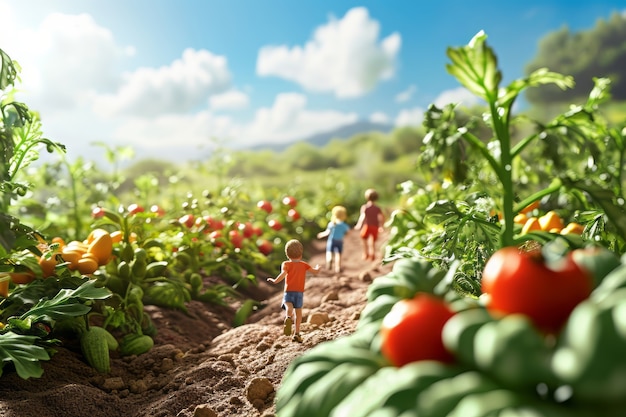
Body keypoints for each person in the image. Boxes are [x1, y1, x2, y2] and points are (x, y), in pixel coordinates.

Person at [267, 239, 321, 343]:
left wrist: (274, 281)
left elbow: (283, 274)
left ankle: (288, 315)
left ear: (287, 254)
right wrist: (317, 268)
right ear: (301, 254)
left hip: (289, 291)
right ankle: (296, 333)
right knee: (299, 313)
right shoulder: (304, 265)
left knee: (287, 304)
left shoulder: (286, 264)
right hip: (299, 292)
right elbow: (315, 272)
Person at [316, 205, 350, 273]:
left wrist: (321, 234)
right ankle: (338, 268)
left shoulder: (332, 224)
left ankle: (329, 260)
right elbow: (348, 232)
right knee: (338, 254)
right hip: (339, 241)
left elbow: (327, 232)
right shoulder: (344, 225)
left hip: (332, 240)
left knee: (329, 252)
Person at [355, 188, 385, 261]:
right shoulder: (378, 208)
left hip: (367, 226)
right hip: (375, 227)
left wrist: (359, 225)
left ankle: (366, 253)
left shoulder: (365, 207)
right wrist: (381, 226)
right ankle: (373, 254)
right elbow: (381, 218)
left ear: (367, 197)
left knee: (363, 238)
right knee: (373, 241)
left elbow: (362, 216)